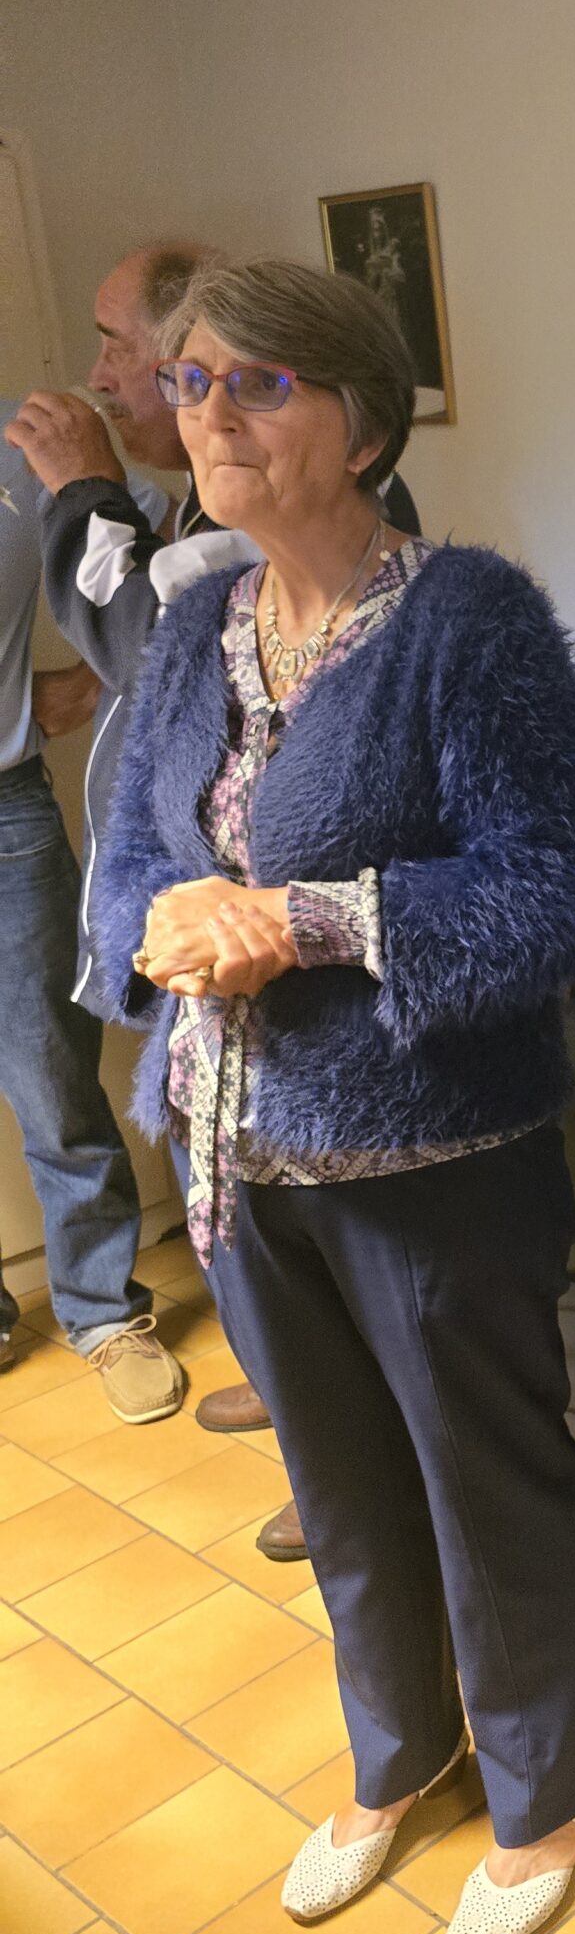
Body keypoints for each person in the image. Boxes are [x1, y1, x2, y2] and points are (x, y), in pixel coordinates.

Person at [93, 256, 575, 1934]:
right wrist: (170, 923)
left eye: (259, 383)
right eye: (192, 382)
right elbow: (131, 861)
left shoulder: (471, 623)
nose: (212, 415)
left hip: (435, 1157)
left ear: (366, 422)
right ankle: (402, 1755)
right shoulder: (195, 630)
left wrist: (306, 921)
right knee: (339, 1488)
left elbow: (556, 889)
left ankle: (550, 1791)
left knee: (487, 1481)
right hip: (237, 1154)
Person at [8, 241, 422, 1526]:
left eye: (122, 347)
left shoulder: (307, 538)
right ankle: (300, 1397)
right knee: (232, 1191)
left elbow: (141, 636)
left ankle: (343, 1454)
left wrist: (80, 489)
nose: (105, 376)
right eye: (184, 380)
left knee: (318, 1202)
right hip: (219, 962)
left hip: (299, 971)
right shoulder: (199, 513)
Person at [0, 416, 186, 1417]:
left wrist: (94, 675)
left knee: (51, 1077)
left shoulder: (20, 445)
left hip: (5, 815)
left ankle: (102, 1308)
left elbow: (154, 545)